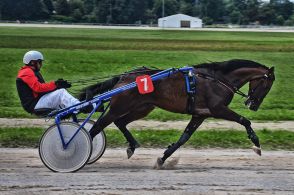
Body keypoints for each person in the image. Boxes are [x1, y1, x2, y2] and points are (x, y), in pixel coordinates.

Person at [16, 50, 93, 115]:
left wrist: (57, 86)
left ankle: (91, 106)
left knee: (60, 92)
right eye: (40, 62)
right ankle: (81, 107)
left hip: (37, 101)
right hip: (34, 104)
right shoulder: (26, 72)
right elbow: (38, 88)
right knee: (61, 93)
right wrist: (56, 84)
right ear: (32, 62)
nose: (41, 64)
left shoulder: (32, 72)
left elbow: (42, 89)